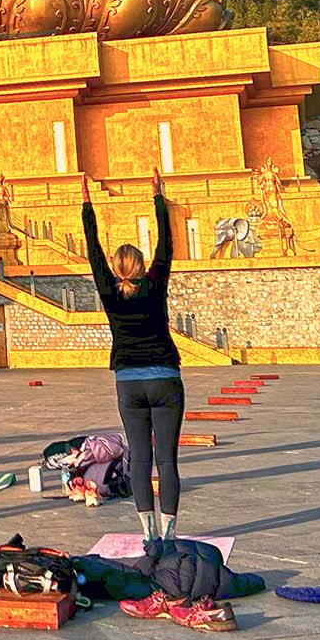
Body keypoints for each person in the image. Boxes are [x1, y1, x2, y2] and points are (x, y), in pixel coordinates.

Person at [81, 169, 183, 557]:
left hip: (129, 381)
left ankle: (148, 533)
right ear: (141, 267)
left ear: (115, 267)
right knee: (167, 460)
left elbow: (92, 252)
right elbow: (167, 244)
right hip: (165, 378)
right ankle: (171, 534)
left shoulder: (109, 291)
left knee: (139, 458)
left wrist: (87, 206)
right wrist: (158, 198)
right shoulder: (155, 285)